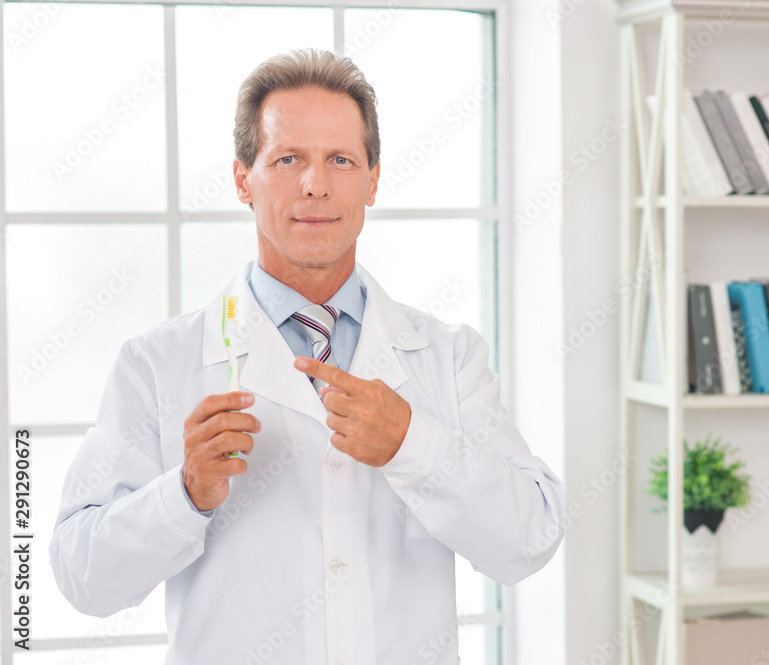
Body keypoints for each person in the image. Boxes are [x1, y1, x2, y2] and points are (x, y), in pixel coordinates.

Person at [49, 48, 566, 664]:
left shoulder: (449, 357)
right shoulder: (157, 363)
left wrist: (413, 445)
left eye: (340, 160)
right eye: (288, 158)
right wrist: (183, 495)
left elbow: (527, 540)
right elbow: (82, 578)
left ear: (373, 179)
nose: (315, 184)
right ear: (244, 178)